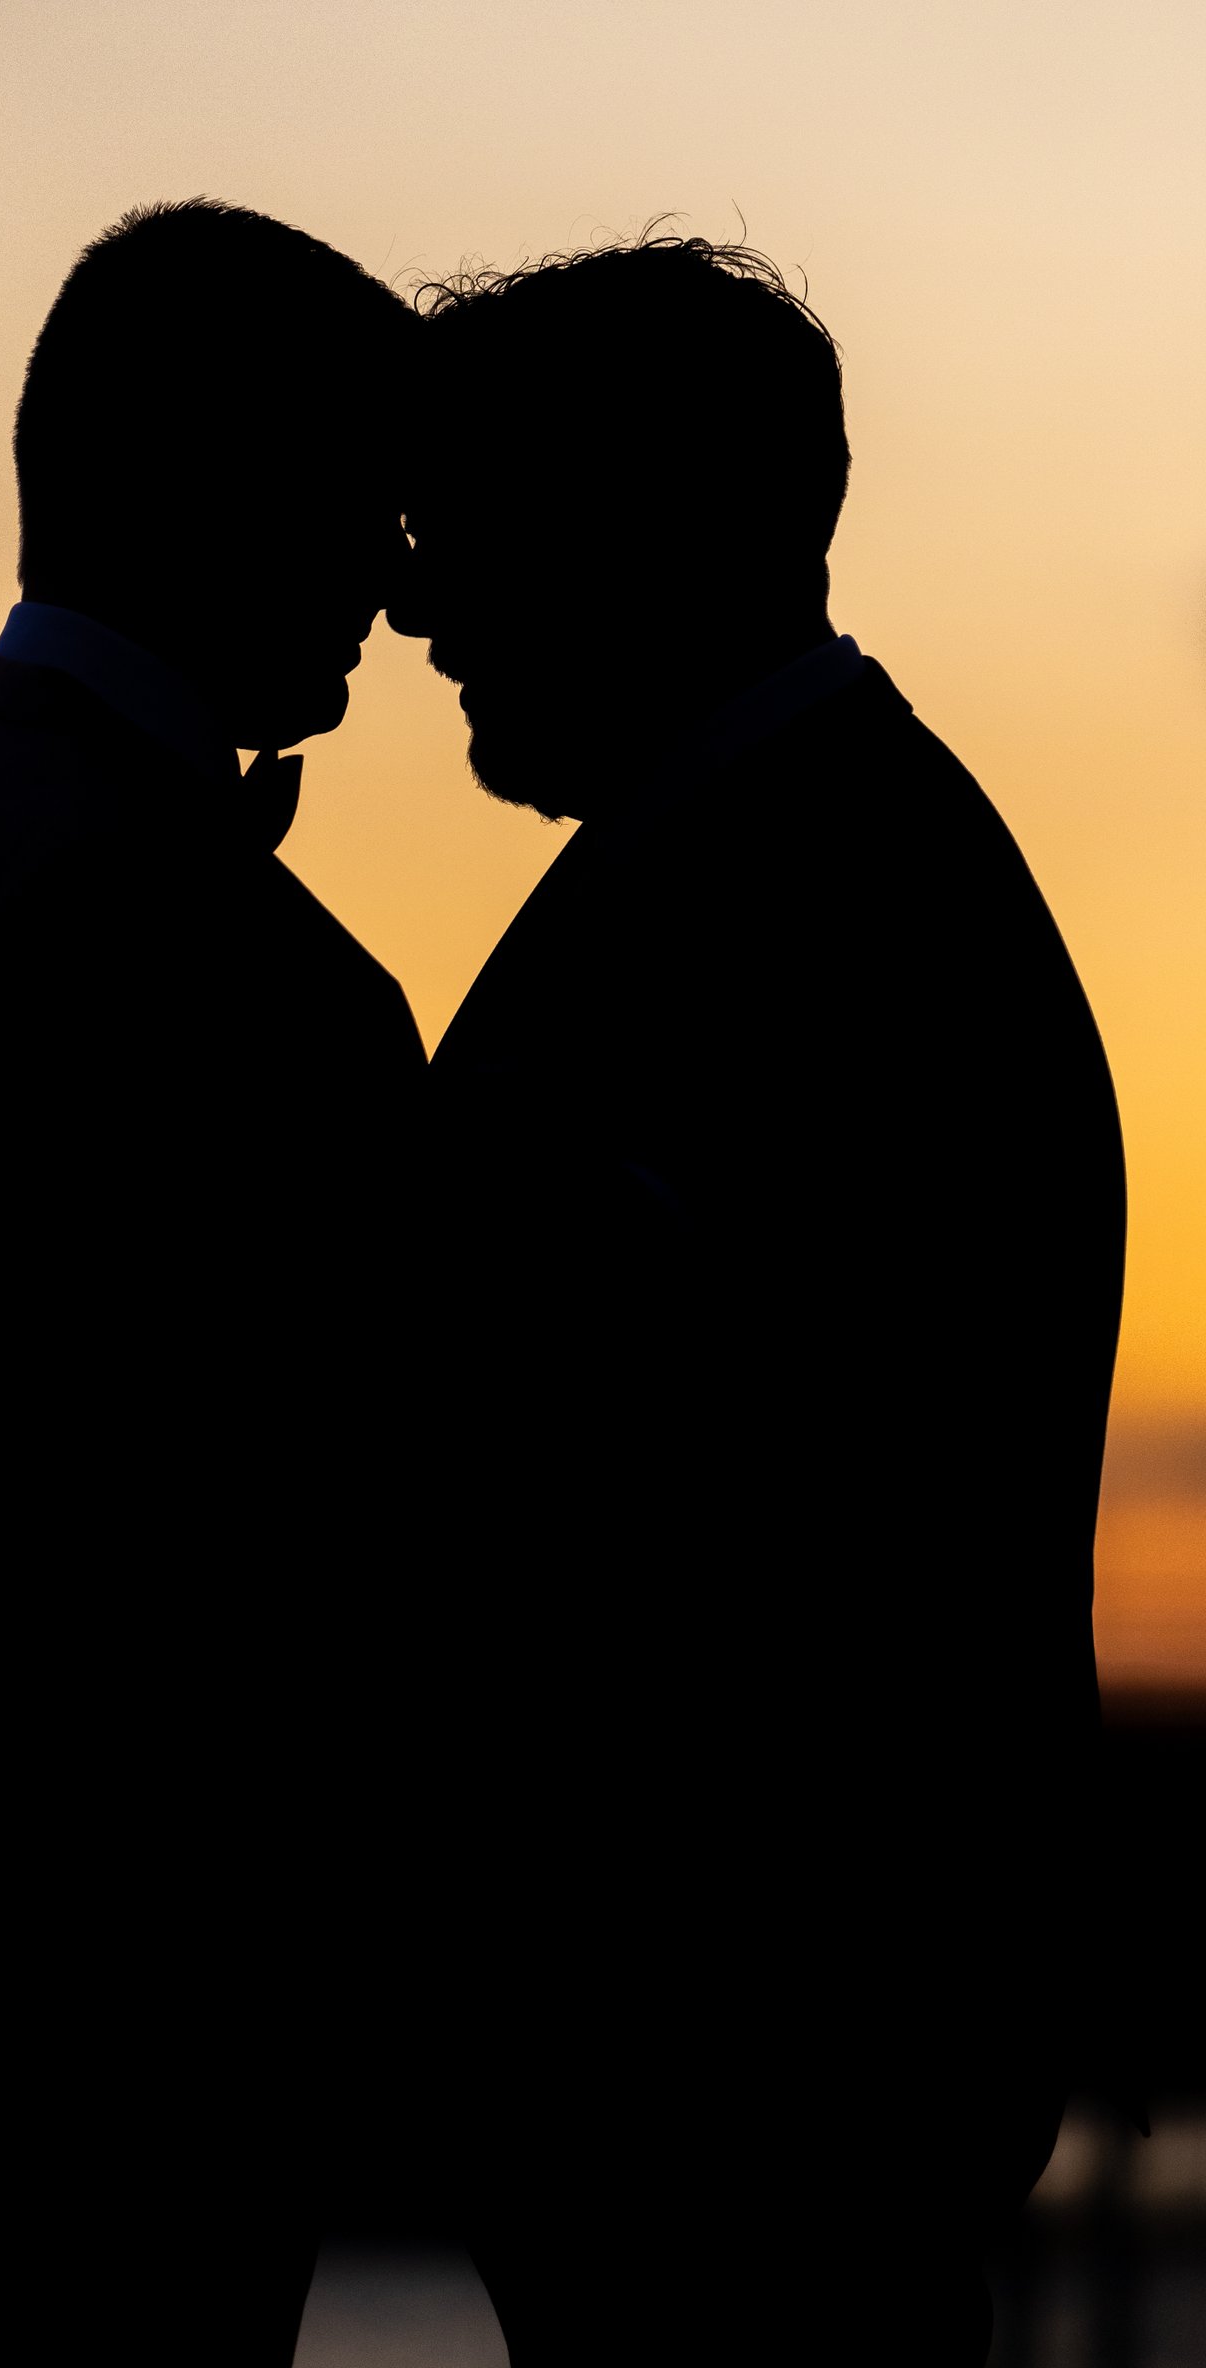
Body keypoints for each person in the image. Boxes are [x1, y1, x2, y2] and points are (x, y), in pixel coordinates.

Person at [388, 231, 1127, 2362]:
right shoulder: (806, 858)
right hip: (766, 2053)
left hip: (745, 2068)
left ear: (640, 533)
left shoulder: (810, 910)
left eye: (466, 535)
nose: (419, 608)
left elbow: (609, 1475)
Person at [0, 200, 425, 2364]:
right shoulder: (198, 938)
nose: (399, 575)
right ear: (212, 487)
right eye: (360, 496)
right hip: (110, 1946)